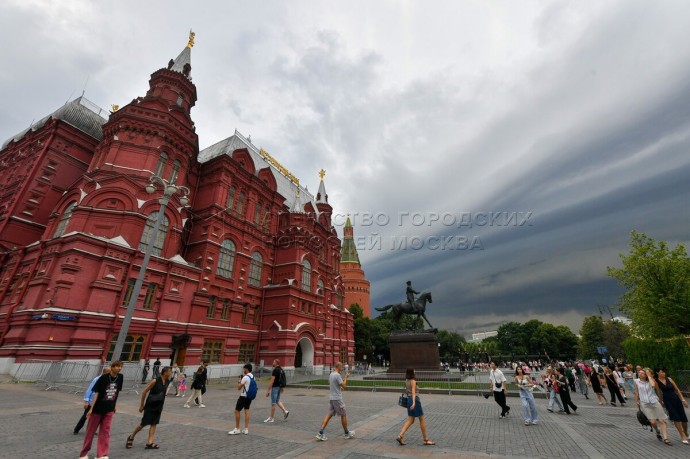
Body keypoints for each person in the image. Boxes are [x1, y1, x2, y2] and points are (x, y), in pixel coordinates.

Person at [79, 361, 124, 459]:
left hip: (109, 409)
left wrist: (114, 405)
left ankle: (102, 454)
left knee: (105, 432)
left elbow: (116, 393)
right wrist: (91, 408)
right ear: (112, 367)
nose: (119, 368)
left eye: (121, 366)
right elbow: (96, 393)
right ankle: (83, 454)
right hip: (97, 409)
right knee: (90, 432)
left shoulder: (120, 377)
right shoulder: (102, 378)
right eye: (117, 366)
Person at [126, 366, 172, 450]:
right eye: (170, 371)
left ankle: (150, 442)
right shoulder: (155, 381)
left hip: (159, 405)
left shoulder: (168, 381)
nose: (171, 373)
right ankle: (131, 436)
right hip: (150, 405)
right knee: (143, 423)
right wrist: (141, 405)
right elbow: (144, 392)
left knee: (154, 423)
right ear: (165, 372)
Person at [316, 362, 355, 441]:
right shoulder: (337, 375)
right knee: (343, 414)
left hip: (332, 398)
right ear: (339, 367)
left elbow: (334, 385)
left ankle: (320, 432)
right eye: (342, 367)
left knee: (329, 415)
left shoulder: (331, 374)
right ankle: (347, 433)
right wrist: (346, 377)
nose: (342, 368)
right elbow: (344, 386)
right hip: (337, 398)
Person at [396, 368, 435, 445]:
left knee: (411, 419)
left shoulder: (406, 381)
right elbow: (413, 392)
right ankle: (426, 440)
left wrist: (410, 401)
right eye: (414, 370)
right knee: (421, 419)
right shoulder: (413, 381)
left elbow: (407, 391)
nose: (415, 371)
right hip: (415, 400)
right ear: (412, 372)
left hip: (409, 400)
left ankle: (400, 435)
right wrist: (414, 403)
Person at [635, 368, 672, 445]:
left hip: (655, 402)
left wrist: (661, 401)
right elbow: (636, 391)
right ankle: (657, 431)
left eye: (642, 373)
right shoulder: (636, 381)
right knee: (653, 422)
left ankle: (666, 438)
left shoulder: (652, 381)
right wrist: (637, 400)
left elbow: (655, 388)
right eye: (640, 373)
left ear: (646, 375)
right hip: (645, 403)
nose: (640, 374)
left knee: (662, 420)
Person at [655, 368, 689, 444]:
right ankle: (682, 436)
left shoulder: (669, 379)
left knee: (684, 420)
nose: (664, 373)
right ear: (657, 373)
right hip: (668, 401)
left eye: (664, 372)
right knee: (676, 418)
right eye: (662, 372)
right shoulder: (656, 381)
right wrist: (661, 402)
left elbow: (677, 390)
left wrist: (683, 400)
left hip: (676, 399)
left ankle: (686, 432)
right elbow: (659, 392)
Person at [74, 366, 110, 435]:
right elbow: (89, 390)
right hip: (91, 401)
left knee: (96, 417)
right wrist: (86, 401)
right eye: (109, 372)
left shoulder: (106, 379)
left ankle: (92, 430)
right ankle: (76, 429)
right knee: (85, 416)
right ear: (105, 372)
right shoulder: (96, 379)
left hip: (99, 402)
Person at [229, 363, 255, 435]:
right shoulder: (253, 376)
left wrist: (239, 380)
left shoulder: (245, 377)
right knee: (247, 410)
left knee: (237, 411)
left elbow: (238, 388)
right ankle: (246, 429)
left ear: (246, 369)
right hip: (249, 396)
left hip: (243, 396)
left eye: (244, 368)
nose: (243, 370)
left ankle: (237, 428)